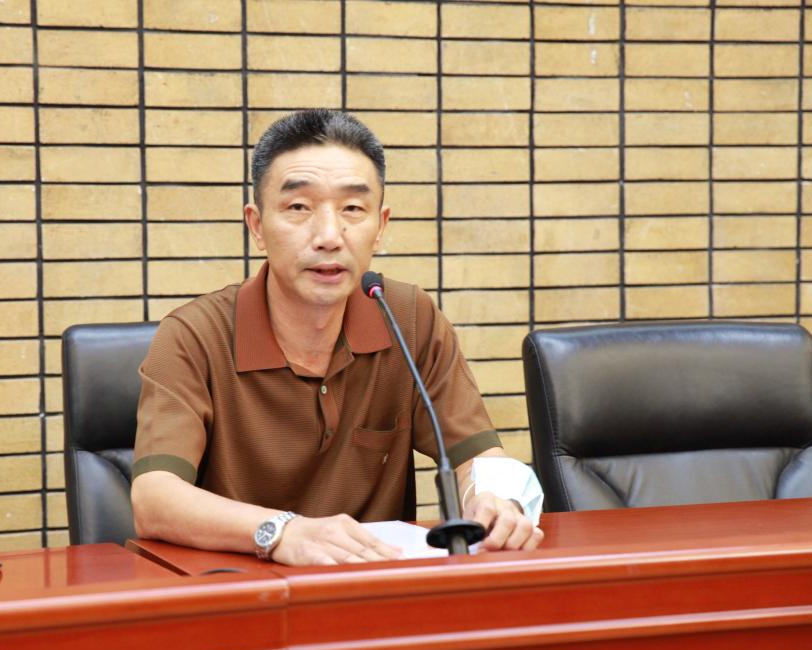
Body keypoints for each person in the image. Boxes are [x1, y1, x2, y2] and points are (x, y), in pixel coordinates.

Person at [131, 109, 544, 566]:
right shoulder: (193, 336)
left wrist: (491, 500)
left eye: (352, 209)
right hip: (242, 590)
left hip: (377, 587)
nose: (329, 236)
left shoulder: (408, 318)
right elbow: (153, 498)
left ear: (380, 226)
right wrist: (282, 531)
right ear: (256, 226)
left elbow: (477, 456)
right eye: (298, 207)